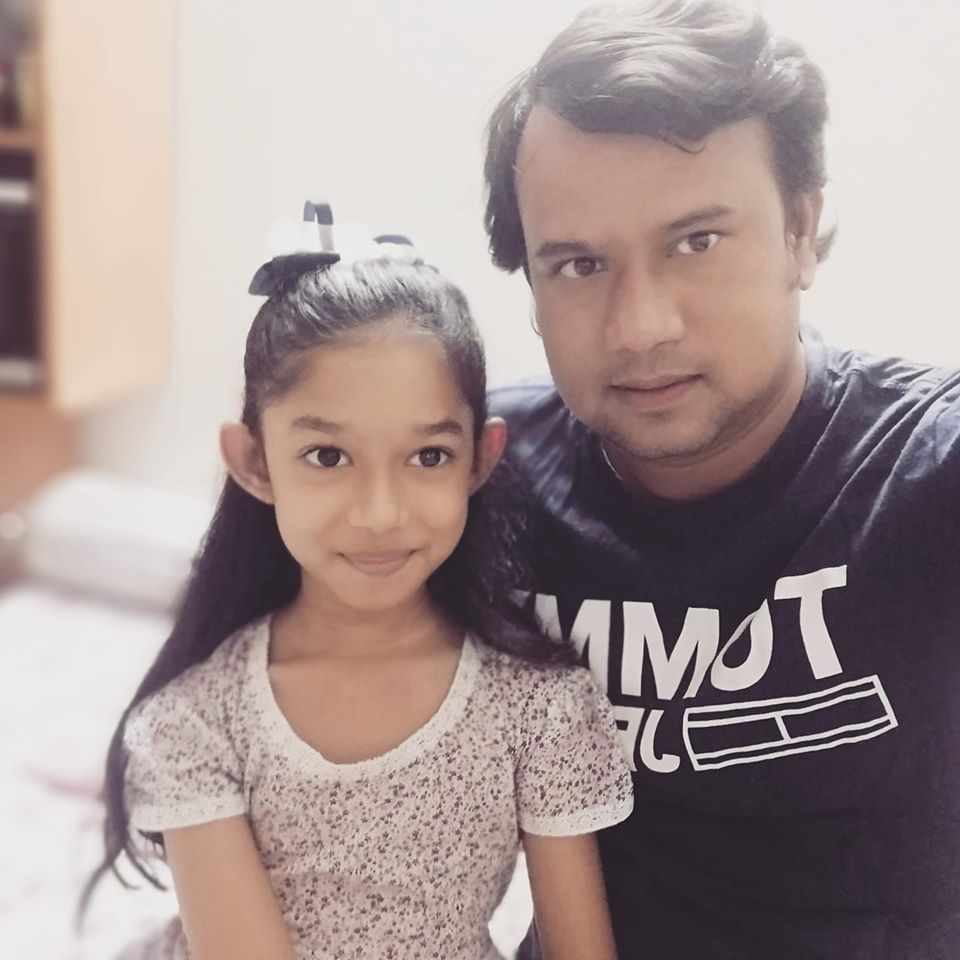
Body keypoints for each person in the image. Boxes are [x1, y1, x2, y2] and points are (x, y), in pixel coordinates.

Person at [483, 2, 960, 958]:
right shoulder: (475, 477)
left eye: (696, 242)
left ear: (799, 231)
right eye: (579, 264)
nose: (640, 326)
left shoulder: (924, 470)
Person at [83, 207, 633, 960]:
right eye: (328, 457)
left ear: (480, 458)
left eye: (429, 457)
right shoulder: (194, 723)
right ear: (254, 463)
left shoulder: (541, 707)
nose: (380, 514)